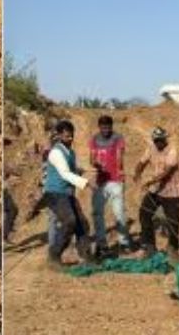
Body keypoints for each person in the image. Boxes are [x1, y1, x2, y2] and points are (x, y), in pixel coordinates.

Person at [43, 120, 95, 269]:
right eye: (66, 136)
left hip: (66, 194)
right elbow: (65, 173)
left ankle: (86, 256)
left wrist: (80, 171)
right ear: (59, 136)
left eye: (71, 136)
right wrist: (86, 182)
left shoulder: (70, 152)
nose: (70, 139)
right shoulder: (56, 152)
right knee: (69, 221)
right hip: (55, 193)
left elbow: (70, 170)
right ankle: (54, 255)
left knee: (82, 224)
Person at [132, 126, 179, 258]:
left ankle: (173, 249)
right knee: (144, 213)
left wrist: (149, 181)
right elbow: (141, 163)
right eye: (156, 140)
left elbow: (166, 173)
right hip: (156, 190)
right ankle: (148, 246)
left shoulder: (172, 151)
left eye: (160, 140)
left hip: (172, 192)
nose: (158, 143)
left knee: (173, 222)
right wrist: (137, 173)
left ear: (165, 139)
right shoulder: (151, 148)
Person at [89, 115, 131, 255]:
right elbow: (92, 158)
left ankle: (124, 243)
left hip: (115, 181)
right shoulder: (94, 139)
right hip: (100, 182)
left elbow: (119, 156)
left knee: (119, 212)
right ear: (99, 127)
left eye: (108, 127)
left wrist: (120, 171)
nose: (105, 130)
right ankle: (102, 243)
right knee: (97, 213)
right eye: (103, 127)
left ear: (112, 127)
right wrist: (96, 164)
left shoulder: (118, 138)